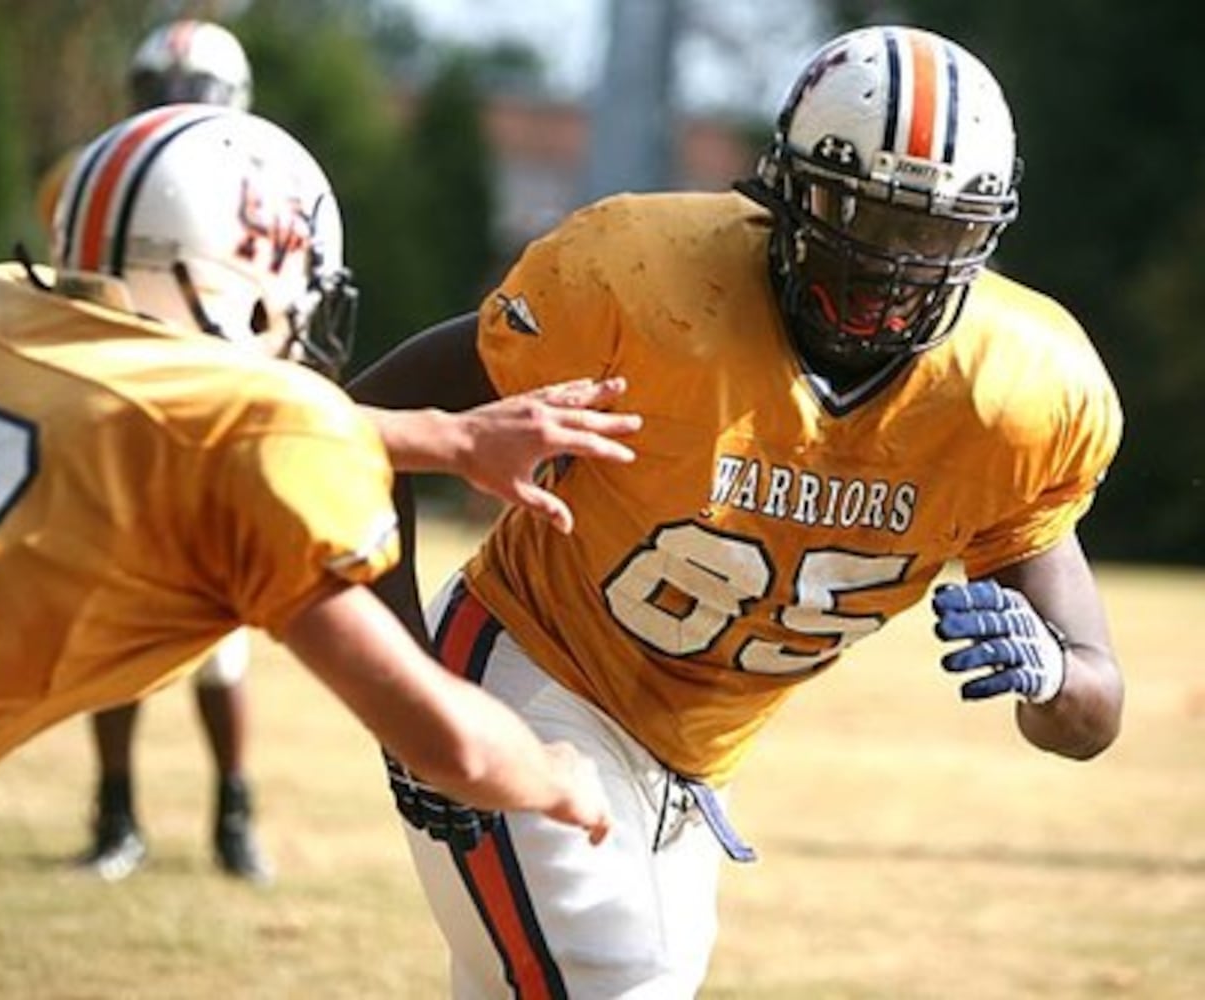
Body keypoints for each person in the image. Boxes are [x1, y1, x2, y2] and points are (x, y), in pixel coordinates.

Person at [0, 105, 640, 996]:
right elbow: (445, 744)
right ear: (241, 284)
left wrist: (447, 436)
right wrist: (558, 776)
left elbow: (168, 411)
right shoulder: (237, 440)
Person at [347, 24, 1125, 998]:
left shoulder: (1017, 391)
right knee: (612, 980)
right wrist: (416, 702)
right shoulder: (645, 283)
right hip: (535, 672)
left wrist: (1052, 670)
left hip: (691, 762)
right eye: (863, 217)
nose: (891, 269)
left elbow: (1093, 713)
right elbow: (350, 437)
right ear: (788, 192)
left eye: (930, 234)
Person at [43, 17, 272, 884]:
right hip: (125, 408)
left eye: (192, 93)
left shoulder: (258, 185)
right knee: (113, 638)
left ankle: (234, 816)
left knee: (221, 645)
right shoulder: (99, 175)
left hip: (212, 414)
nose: (174, 107)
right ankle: (117, 816)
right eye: (161, 92)